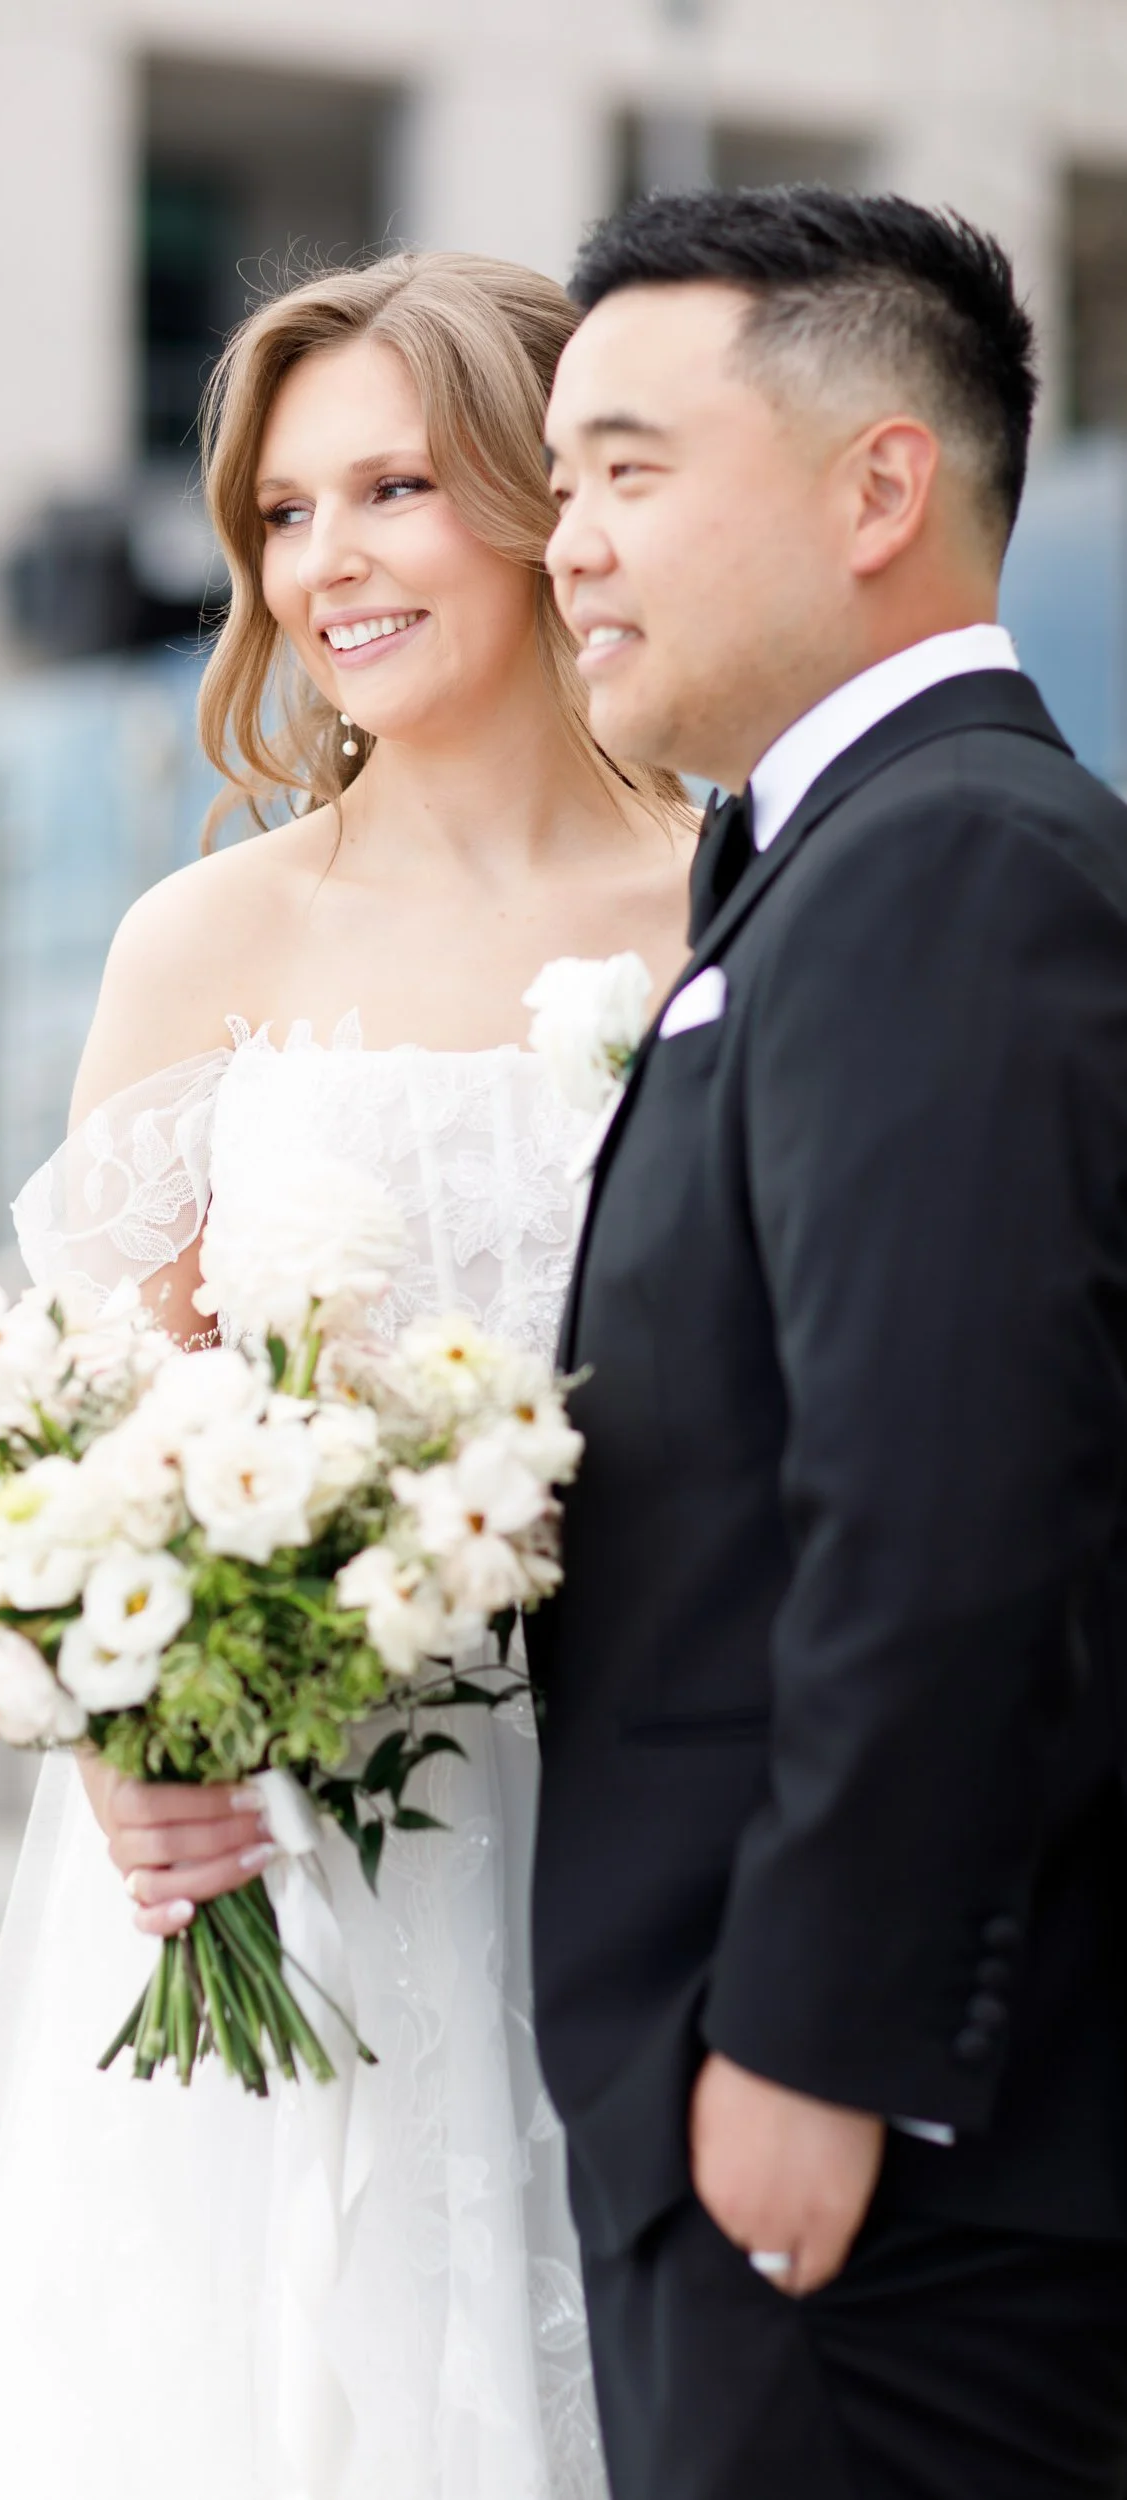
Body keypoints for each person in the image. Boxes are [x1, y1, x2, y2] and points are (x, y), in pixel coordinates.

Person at [0, 252, 691, 2500]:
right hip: (280, 1848)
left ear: (541, 504)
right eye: (282, 512)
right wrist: (118, 1729)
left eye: (394, 486)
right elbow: (94, 1445)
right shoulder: (203, 939)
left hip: (648, 1834)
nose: (324, 560)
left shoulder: (730, 910)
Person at [532, 184, 1127, 2500]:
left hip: (876, 2186)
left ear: (878, 485)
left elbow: (953, 1504)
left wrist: (817, 2043)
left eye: (625, 467)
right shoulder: (821, 864)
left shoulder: (950, 862)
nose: (563, 539)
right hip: (796, 2155)